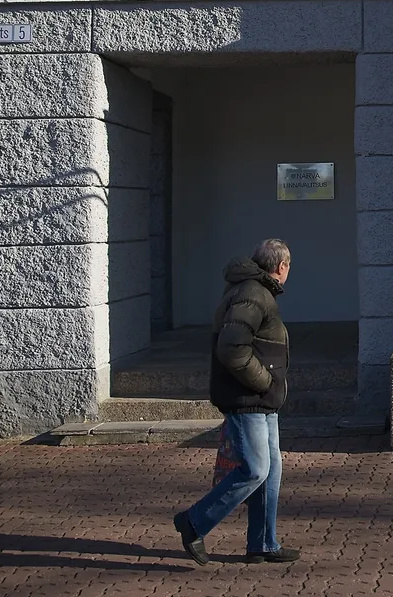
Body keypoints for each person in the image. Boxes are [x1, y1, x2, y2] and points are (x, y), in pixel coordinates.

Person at [174, 239, 297, 565]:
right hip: (248, 397)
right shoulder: (253, 294)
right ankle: (193, 521)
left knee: (270, 471)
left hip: (262, 399)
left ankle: (263, 543)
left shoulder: (255, 291)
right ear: (282, 266)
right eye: (289, 267)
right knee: (255, 470)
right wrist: (264, 381)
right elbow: (231, 348)